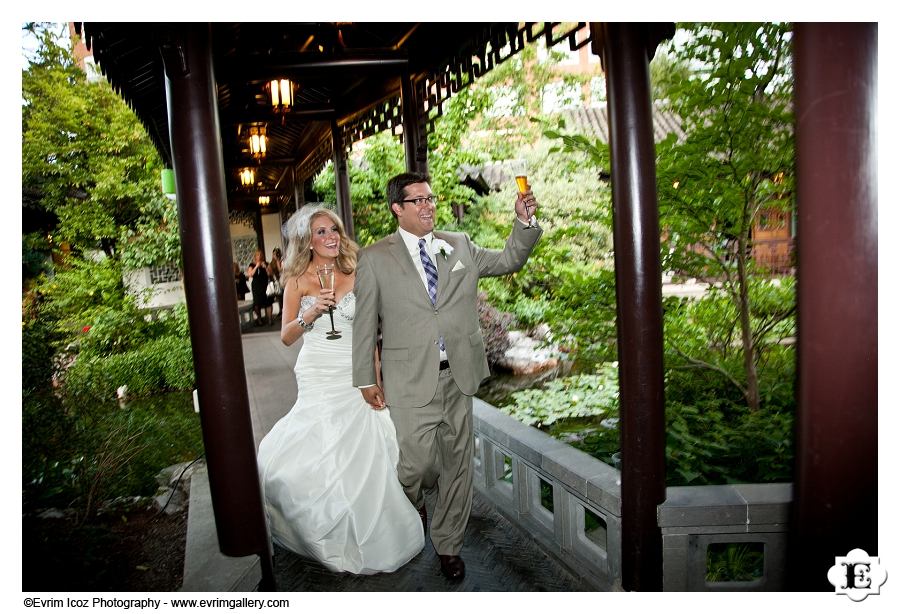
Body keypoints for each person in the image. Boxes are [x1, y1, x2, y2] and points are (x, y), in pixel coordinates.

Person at [352, 171, 541, 580]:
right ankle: (417, 500)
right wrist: (366, 378)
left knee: (457, 464)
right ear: (397, 209)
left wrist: (523, 223)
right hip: (407, 379)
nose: (428, 205)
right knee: (418, 465)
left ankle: (449, 545)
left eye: (431, 198)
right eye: (417, 201)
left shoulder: (459, 244)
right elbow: (364, 323)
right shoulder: (374, 258)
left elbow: (509, 259)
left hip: (458, 374)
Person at [257, 204, 424, 575]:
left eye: (333, 229)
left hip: (355, 370)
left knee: (366, 444)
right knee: (322, 443)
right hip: (318, 370)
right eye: (321, 232)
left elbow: (372, 333)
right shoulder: (297, 279)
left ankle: (373, 524)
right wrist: (310, 313)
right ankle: (327, 526)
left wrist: (375, 377)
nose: (331, 236)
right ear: (307, 241)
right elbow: (286, 336)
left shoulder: (357, 270)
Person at [247, 250, 273, 326]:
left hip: (265, 285)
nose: (259, 256)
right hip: (256, 286)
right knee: (257, 303)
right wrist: (256, 266)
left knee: (268, 302)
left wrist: (266, 268)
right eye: (258, 255)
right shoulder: (252, 265)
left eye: (261, 255)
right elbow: (250, 274)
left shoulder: (266, 263)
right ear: (255, 256)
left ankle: (270, 319)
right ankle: (259, 319)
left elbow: (270, 274)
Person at [270, 247, 284, 316]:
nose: (275, 255)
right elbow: (270, 272)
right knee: (278, 297)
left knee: (283, 296)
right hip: (275, 281)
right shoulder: (271, 263)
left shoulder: (281, 260)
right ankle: (281, 310)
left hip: (283, 281)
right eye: (274, 254)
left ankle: (284, 310)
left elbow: (280, 270)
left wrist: (278, 260)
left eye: (277, 253)